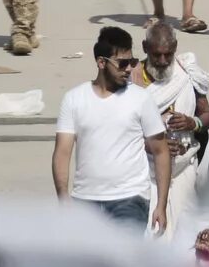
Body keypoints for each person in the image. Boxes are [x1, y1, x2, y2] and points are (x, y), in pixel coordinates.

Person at [53, 24, 173, 231]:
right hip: (85, 201)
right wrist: (64, 199)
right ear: (101, 62)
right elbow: (62, 153)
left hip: (131, 200)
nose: (129, 69)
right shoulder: (74, 99)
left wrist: (161, 205)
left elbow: (161, 151)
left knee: (123, 261)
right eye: (123, 63)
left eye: (132, 62)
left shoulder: (141, 98)